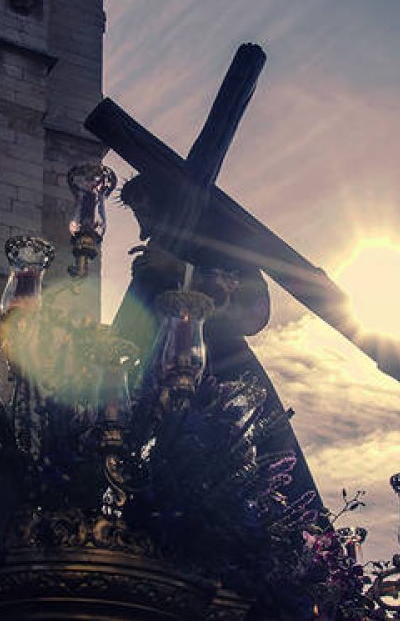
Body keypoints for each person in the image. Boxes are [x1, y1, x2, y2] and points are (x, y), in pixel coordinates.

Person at [113, 173, 322, 515]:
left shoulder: (223, 241)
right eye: (138, 219)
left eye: (147, 217)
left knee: (265, 475)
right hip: (161, 382)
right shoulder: (149, 264)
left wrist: (183, 271)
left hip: (227, 370)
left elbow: (255, 312)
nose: (143, 232)